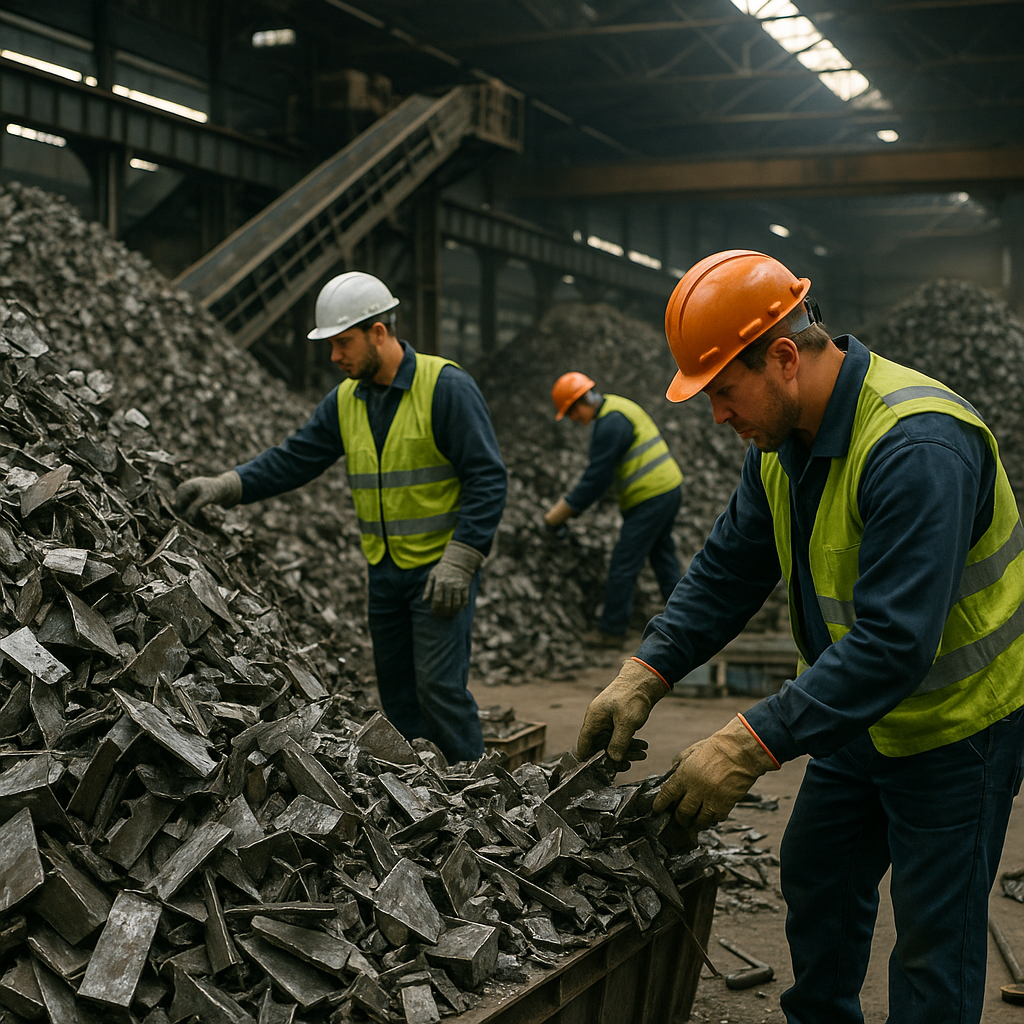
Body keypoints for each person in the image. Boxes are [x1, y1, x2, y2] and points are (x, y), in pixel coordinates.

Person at [576, 249, 1024, 1023]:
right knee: (817, 874)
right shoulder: (780, 446)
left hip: (956, 730)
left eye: (723, 390)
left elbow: (891, 644)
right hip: (856, 718)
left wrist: (746, 743)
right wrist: (645, 670)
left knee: (932, 941)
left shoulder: (917, 446)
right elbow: (727, 569)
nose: (718, 416)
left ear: (784, 357)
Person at [174, 271, 507, 764]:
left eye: (342, 343)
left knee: (440, 691)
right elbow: (294, 458)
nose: (334, 357)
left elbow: (488, 477)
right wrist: (226, 485)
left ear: (379, 332)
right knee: (396, 697)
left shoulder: (446, 388)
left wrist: (461, 559)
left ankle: (478, 800)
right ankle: (421, 802)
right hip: (386, 574)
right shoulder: (346, 401)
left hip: (439, 573)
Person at [543, 372, 684, 645]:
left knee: (623, 563)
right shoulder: (617, 408)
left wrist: (560, 513)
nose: (575, 421)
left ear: (580, 403)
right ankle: (687, 617)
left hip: (650, 496)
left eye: (573, 414)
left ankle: (612, 630)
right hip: (667, 489)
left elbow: (596, 479)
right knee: (663, 557)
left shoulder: (610, 423)